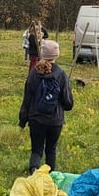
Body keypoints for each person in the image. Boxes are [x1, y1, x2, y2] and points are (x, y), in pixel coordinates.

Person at [19, 40, 74, 174]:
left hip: (36, 119)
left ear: (42, 53)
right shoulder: (61, 74)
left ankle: (33, 174)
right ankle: (50, 178)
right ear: (57, 55)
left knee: (36, 150)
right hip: (55, 120)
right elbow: (68, 103)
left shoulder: (33, 73)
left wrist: (23, 120)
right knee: (51, 149)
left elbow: (27, 99)